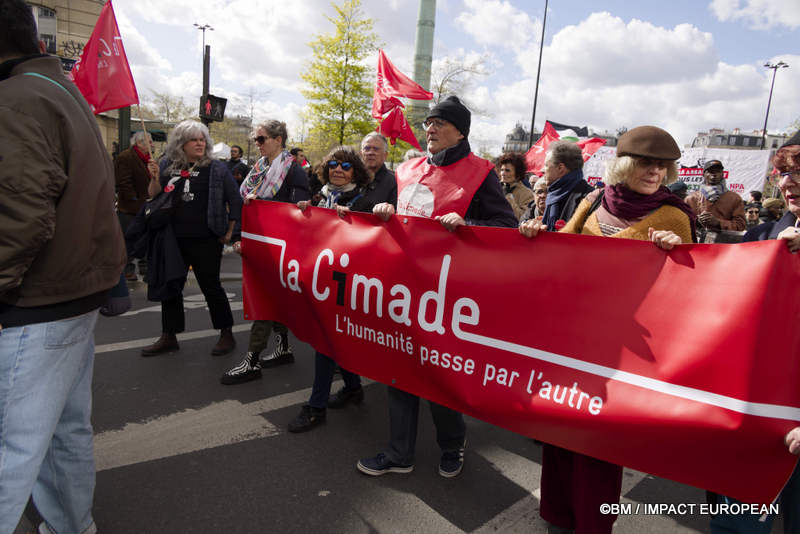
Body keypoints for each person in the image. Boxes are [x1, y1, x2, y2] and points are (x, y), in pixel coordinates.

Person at [520, 125, 695, 534]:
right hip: (575, 340)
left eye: (662, 166)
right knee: (560, 430)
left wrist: (679, 254)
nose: (655, 172)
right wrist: (536, 235)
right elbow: (564, 245)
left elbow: (691, 291)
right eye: (645, 163)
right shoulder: (596, 199)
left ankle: (593, 525)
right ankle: (557, 516)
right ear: (624, 165)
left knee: (599, 445)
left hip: (626, 352)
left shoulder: (673, 215)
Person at [0, 3, 127, 532]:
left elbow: (19, 214)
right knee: (61, 431)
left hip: (34, 302)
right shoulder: (60, 92)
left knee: (13, 442)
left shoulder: (18, 99)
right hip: (70, 294)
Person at [358, 96, 517, 478]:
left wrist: (466, 223)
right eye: (428, 122)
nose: (429, 128)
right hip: (403, 288)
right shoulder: (408, 168)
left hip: (448, 294)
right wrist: (384, 211)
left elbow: (506, 225)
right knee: (400, 370)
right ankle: (400, 453)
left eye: (439, 123)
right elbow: (390, 213)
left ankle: (452, 444)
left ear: (460, 131)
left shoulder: (481, 172)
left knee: (438, 376)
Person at [709, 131, 800, 534]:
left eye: (799, 171)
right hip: (755, 421)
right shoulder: (762, 236)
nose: (788, 182)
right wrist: (675, 259)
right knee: (736, 526)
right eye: (783, 172)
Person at [287, 146, 395, 432]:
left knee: (325, 342)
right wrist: (304, 214)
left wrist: (356, 218)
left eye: (345, 166)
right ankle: (352, 387)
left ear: (355, 172)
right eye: (333, 164)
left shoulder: (363, 200)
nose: (337, 169)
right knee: (334, 339)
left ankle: (316, 407)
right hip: (321, 279)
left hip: (348, 284)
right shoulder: (321, 196)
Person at [139, 120, 242, 357]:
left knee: (211, 287)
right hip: (173, 239)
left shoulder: (216, 168)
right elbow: (153, 197)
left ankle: (226, 333)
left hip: (206, 240)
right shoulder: (166, 164)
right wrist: (154, 177)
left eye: (202, 139)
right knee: (171, 286)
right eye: (194, 139)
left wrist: (229, 233)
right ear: (181, 144)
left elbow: (234, 199)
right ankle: (169, 335)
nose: (199, 143)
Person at [220, 120, 310, 385]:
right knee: (272, 298)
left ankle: (252, 359)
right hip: (258, 242)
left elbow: (295, 212)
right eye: (255, 139)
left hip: (280, 247)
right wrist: (240, 236)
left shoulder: (294, 171)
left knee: (265, 298)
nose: (256, 143)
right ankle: (282, 346)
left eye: (261, 139)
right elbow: (245, 206)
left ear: (278, 140)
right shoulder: (259, 168)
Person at [115, 131, 160, 281]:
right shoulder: (126, 157)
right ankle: (128, 268)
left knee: (146, 238)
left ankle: (144, 266)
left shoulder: (151, 160)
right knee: (129, 239)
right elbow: (123, 182)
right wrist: (134, 199)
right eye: (150, 141)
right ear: (139, 143)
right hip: (130, 208)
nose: (152, 144)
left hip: (147, 206)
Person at [540, 140, 595, 231]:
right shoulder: (553, 194)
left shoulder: (589, 198)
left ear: (560, 168)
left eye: (546, 165)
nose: (542, 170)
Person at [685, 159, 746, 236]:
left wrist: (718, 223)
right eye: (710, 171)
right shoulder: (691, 198)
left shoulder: (735, 198)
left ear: (722, 174)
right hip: (696, 243)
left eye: (718, 171)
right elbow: (682, 222)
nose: (714, 174)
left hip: (723, 243)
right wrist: (696, 221)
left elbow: (740, 225)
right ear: (703, 174)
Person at [360, 132, 398, 207]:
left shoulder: (394, 182)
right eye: (367, 148)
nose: (371, 152)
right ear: (361, 153)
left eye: (376, 149)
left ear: (385, 155)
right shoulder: (351, 177)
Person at [498, 152, 535, 220]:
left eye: (507, 170)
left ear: (518, 174)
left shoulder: (527, 193)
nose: (503, 173)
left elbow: (523, 218)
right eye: (502, 170)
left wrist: (509, 199)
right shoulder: (496, 188)